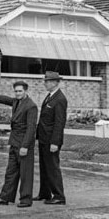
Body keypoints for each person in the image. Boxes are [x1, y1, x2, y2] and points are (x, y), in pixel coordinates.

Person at [0, 81, 38, 208]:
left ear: (26, 91)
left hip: (24, 144)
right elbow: (5, 99)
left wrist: (25, 146)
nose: (18, 93)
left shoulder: (31, 106)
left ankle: (26, 199)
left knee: (25, 173)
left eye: (20, 91)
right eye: (16, 91)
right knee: (10, 172)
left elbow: (31, 128)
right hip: (14, 142)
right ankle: (4, 197)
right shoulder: (16, 102)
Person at [33, 71, 68, 205]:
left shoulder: (60, 99)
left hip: (51, 140)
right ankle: (45, 193)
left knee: (52, 167)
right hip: (43, 138)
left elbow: (59, 122)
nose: (45, 83)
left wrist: (55, 142)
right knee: (44, 166)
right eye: (45, 81)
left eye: (47, 81)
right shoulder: (50, 97)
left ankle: (59, 195)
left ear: (55, 82)